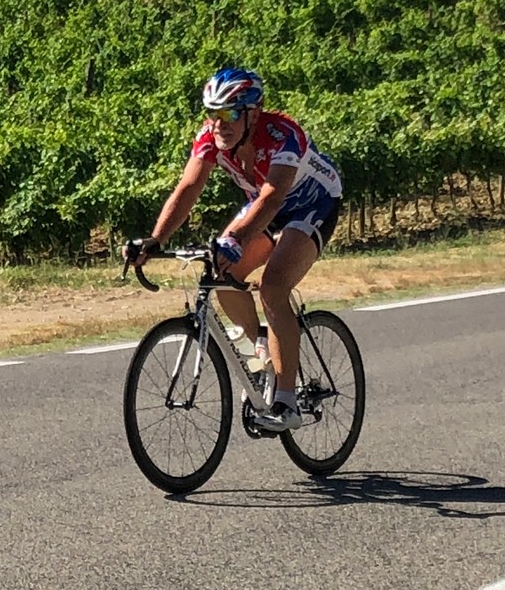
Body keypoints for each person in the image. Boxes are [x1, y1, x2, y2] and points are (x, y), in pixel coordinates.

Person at [126, 65, 343, 433]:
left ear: (253, 113)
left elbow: (273, 199)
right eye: (212, 113)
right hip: (265, 206)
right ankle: (260, 343)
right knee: (220, 274)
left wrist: (236, 239)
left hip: (311, 205)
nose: (218, 124)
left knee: (274, 288)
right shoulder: (211, 138)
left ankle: (287, 402)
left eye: (228, 113)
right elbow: (187, 189)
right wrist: (155, 239)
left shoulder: (282, 134)